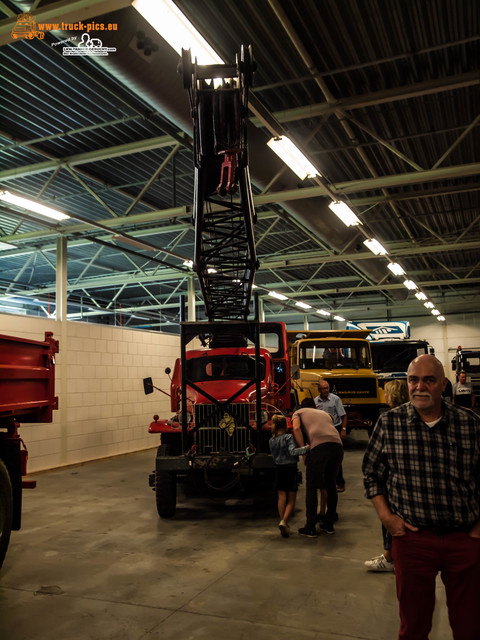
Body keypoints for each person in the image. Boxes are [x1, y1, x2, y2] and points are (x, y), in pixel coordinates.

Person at [363, 354, 480, 640]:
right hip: (413, 541)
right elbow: (371, 474)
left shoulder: (470, 424)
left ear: (443, 385)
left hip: (464, 539)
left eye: (429, 380)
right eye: (413, 380)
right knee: (413, 626)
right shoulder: (389, 424)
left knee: (470, 626)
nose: (419, 387)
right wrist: (387, 518)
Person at [364, 378, 409, 572]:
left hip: (394, 480)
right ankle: (391, 554)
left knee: (390, 518)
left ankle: (390, 557)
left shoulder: (390, 419)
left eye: (387, 392)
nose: (385, 396)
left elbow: (372, 463)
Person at [292, 397, 344, 537]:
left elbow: (296, 428)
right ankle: (329, 524)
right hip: (337, 446)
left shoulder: (298, 412)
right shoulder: (324, 414)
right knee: (331, 485)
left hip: (319, 448)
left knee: (312, 486)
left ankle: (310, 527)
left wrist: (304, 451)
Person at [268, 414, 309, 538]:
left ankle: (282, 521)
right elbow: (292, 451)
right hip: (290, 469)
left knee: (281, 497)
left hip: (279, 469)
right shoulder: (288, 437)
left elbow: (274, 457)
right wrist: (306, 448)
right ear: (285, 425)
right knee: (291, 498)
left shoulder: (271, 440)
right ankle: (284, 521)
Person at [314, 381, 347, 491]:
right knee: (323, 456)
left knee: (336, 456)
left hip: (334, 429)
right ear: (319, 390)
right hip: (321, 431)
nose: (326, 390)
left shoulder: (335, 399)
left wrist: (343, 430)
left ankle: (340, 482)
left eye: (327, 388)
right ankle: (324, 482)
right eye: (323, 388)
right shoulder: (315, 401)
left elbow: (343, 416)